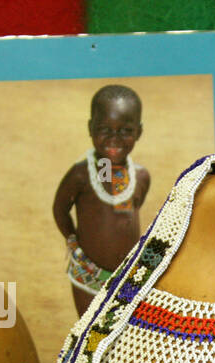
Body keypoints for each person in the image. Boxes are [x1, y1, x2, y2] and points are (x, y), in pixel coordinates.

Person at [52, 85, 151, 317]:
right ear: (90, 128)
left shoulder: (140, 177)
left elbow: (126, 211)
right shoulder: (81, 175)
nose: (114, 139)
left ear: (139, 132)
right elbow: (59, 209)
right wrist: (73, 241)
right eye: (104, 129)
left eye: (125, 130)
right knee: (90, 329)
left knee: (124, 331)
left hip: (127, 275)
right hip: (89, 274)